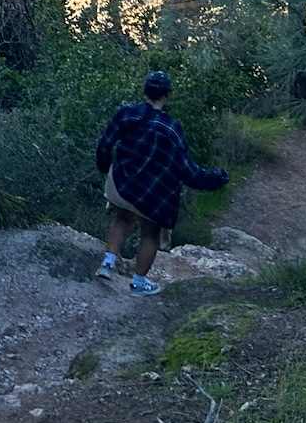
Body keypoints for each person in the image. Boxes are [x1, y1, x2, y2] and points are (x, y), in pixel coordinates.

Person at [95, 70, 229, 295]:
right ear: (167, 95)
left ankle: (107, 264)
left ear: (145, 90)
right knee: (151, 232)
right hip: (153, 197)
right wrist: (218, 178)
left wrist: (105, 168)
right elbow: (188, 172)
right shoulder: (171, 128)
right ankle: (138, 283)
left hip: (122, 185)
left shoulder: (127, 113)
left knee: (122, 217)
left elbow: (105, 144)